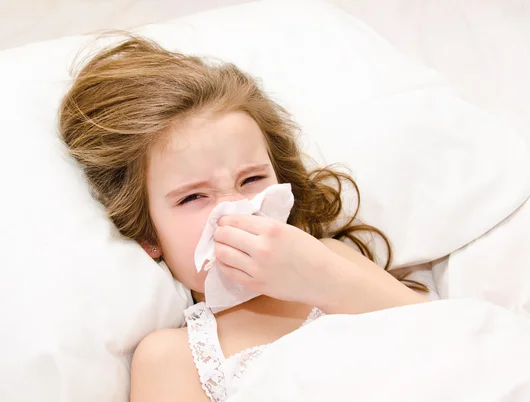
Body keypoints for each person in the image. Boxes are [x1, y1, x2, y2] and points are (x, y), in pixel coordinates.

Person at [59, 34, 429, 402]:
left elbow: (447, 338)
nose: (237, 209)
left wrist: (325, 279)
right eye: (193, 197)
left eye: (251, 179)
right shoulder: (173, 358)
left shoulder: (332, 258)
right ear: (148, 235)